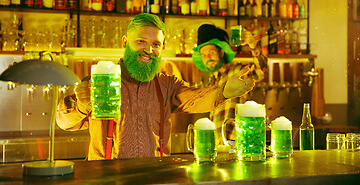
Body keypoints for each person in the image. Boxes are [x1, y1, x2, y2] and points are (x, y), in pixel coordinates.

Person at [56, 14, 256, 160]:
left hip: (155, 175)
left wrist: (224, 91)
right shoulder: (102, 80)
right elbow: (64, 122)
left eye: (156, 44)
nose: (149, 50)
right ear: (125, 42)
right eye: (141, 41)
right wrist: (82, 104)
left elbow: (195, 98)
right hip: (106, 177)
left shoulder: (166, 84)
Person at [192, 24, 268, 145]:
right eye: (203, 55)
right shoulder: (213, 82)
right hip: (219, 147)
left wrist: (254, 46)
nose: (208, 57)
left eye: (211, 52)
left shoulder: (237, 72)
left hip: (238, 143)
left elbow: (261, 72)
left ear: (221, 53)